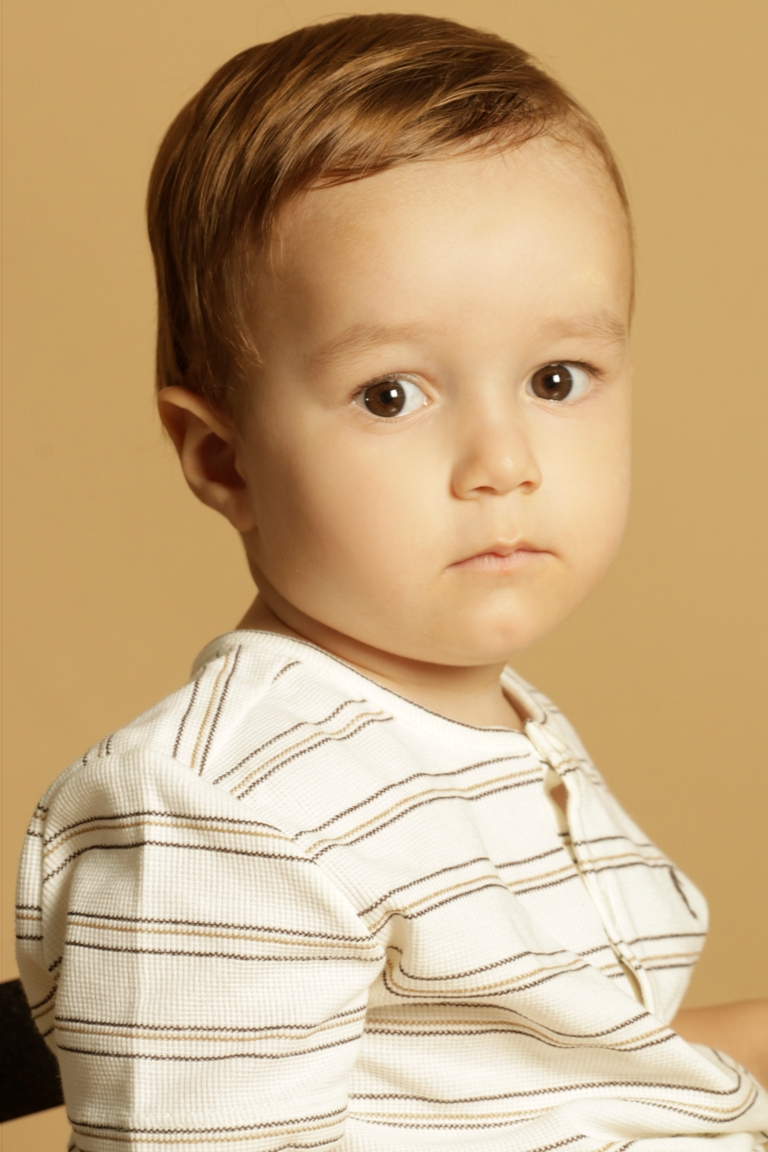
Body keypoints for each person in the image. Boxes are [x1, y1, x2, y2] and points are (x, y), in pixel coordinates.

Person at [15, 13, 768, 1151]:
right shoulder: (227, 810)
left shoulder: (490, 735)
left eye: (556, 379)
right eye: (391, 395)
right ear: (225, 460)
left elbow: (564, 1077)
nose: (503, 462)